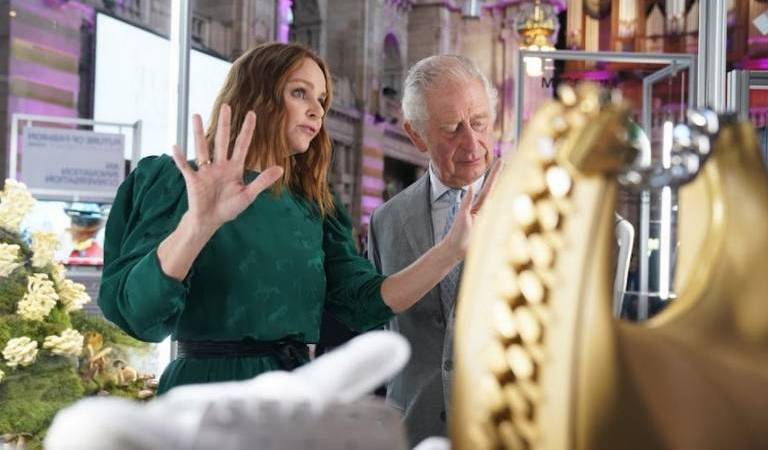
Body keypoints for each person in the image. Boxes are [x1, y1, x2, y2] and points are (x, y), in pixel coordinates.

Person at [98, 43, 495, 395]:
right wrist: (197, 226)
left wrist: (449, 251)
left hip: (294, 397)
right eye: (299, 92)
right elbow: (138, 316)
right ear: (257, 95)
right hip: (206, 398)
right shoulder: (175, 182)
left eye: (321, 99)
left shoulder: (314, 206)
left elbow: (367, 303)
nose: (317, 110)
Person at [367, 54, 499, 445]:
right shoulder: (386, 221)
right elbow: (381, 331)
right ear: (416, 134)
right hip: (413, 432)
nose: (471, 143)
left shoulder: (534, 206)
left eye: (479, 122)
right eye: (452, 129)